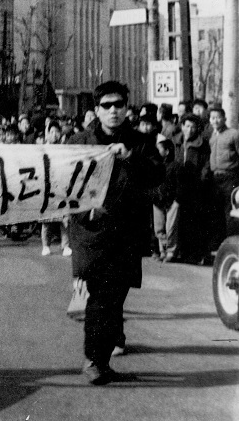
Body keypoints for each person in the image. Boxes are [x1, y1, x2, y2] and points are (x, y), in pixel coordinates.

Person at [67, 81, 163, 385]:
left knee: (115, 300)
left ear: (127, 108)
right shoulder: (79, 142)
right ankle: (93, 360)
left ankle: (102, 360)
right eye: (106, 105)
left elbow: (158, 176)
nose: (113, 111)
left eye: (119, 104)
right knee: (100, 298)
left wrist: (130, 157)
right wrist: (87, 210)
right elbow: (63, 187)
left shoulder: (141, 142)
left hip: (127, 236)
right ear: (96, 110)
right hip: (92, 234)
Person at [173, 113, 212, 264]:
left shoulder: (203, 144)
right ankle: (181, 252)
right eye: (187, 126)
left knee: (194, 221)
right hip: (177, 184)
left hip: (195, 186)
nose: (189, 130)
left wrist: (202, 179)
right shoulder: (176, 142)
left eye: (193, 127)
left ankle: (194, 255)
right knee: (179, 220)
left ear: (197, 129)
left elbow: (206, 164)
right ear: (182, 127)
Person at [208, 106, 239, 244]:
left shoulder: (234, 134)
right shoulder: (211, 136)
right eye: (212, 118)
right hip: (215, 178)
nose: (215, 121)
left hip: (230, 177)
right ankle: (219, 243)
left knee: (230, 212)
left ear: (224, 119)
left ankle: (232, 242)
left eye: (218, 117)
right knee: (216, 212)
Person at [40, 120, 70, 256]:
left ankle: (66, 246)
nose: (54, 135)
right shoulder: (43, 149)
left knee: (64, 219)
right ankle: (46, 245)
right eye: (51, 132)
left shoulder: (64, 148)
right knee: (47, 220)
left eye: (57, 132)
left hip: (62, 185)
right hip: (47, 186)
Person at [151, 136, 180, 263]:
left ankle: (171, 251)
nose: (157, 151)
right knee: (159, 228)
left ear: (167, 151)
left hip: (172, 200)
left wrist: (177, 201)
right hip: (157, 200)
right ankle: (162, 250)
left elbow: (180, 185)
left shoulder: (176, 166)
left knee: (171, 228)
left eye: (159, 149)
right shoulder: (155, 165)